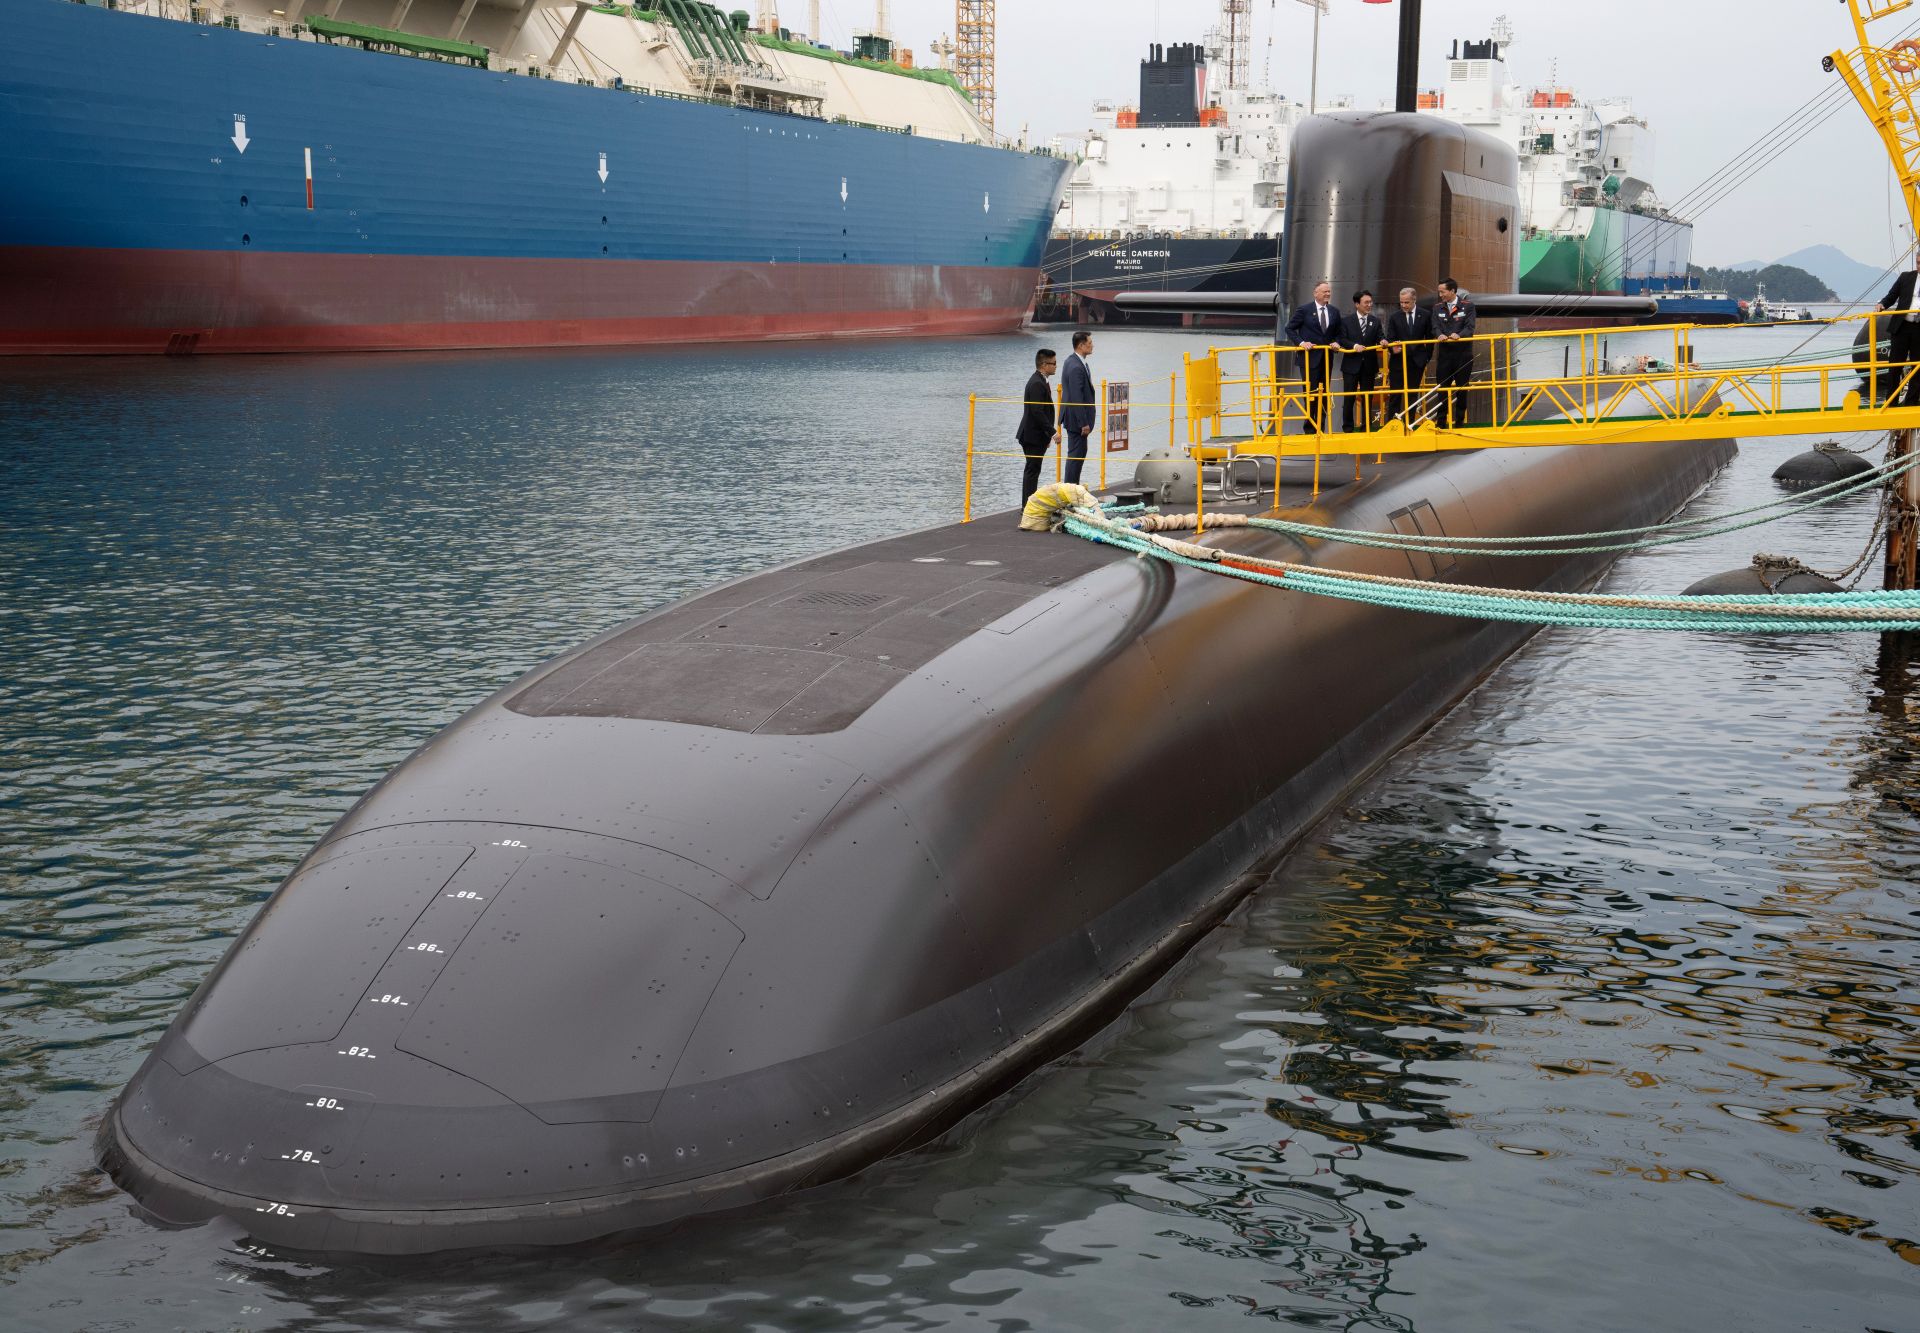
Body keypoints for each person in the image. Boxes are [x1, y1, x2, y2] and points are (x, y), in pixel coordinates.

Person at [1284, 280, 1343, 433]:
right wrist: (1301, 342)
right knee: (1310, 394)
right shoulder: (1304, 310)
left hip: (1326, 359)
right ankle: (1309, 428)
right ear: (1315, 293)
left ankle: (1321, 428)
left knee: (1324, 394)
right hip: (1309, 359)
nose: (1328, 294)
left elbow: (1339, 333)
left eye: (1329, 291)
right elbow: (1289, 328)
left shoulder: (1334, 311)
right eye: (1325, 292)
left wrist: (1336, 342)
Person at [1015, 347, 1061, 504]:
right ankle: (1027, 507)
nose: (1056, 366)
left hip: (1036, 435)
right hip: (1031, 435)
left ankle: (1029, 505)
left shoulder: (1041, 381)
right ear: (1044, 365)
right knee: (1032, 471)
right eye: (1053, 363)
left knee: (1033, 470)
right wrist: (1053, 433)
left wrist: (1046, 437)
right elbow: (1037, 411)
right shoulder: (1036, 383)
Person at [1383, 286, 1435, 422]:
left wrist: (1426, 358)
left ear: (1414, 300)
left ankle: (1409, 423)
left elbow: (1430, 338)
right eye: (1401, 302)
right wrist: (1392, 349)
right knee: (1395, 394)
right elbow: (1390, 338)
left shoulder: (1425, 315)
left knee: (1412, 394)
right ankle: (1392, 424)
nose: (1403, 305)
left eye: (1406, 302)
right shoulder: (1395, 317)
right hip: (1398, 362)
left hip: (1417, 362)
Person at [1432, 277, 1477, 428]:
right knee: (1442, 389)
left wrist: (1459, 335)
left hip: (1463, 355)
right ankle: (1441, 422)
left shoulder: (1468, 306)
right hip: (1445, 355)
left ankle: (1459, 421)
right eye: (1439, 292)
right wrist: (1439, 334)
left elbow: (1470, 327)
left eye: (1443, 292)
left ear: (1452, 291)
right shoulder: (1437, 308)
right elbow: (1435, 326)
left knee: (1462, 388)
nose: (1440, 295)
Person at [1339, 290, 1384, 433]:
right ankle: (1348, 427)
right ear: (1357, 304)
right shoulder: (1346, 321)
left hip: (1369, 366)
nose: (1369, 305)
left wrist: (1383, 341)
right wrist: (1354, 346)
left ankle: (1366, 427)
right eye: (1366, 302)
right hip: (1351, 365)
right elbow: (1342, 339)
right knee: (1349, 398)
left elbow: (1380, 336)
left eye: (1370, 302)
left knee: (1367, 397)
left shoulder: (1375, 321)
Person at [1879, 263, 1920, 406]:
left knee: (1917, 367)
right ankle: (1891, 402)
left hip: (1919, 328)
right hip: (1902, 326)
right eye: (1918, 262)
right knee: (1895, 366)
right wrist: (1882, 304)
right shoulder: (1905, 277)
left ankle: (1911, 402)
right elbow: (1892, 296)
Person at [1060, 332, 1096, 483]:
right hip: (1077, 421)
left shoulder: (1071, 361)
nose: (1092, 345)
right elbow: (1076, 397)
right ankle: (1070, 490)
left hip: (1073, 418)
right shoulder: (1076, 366)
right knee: (1075, 456)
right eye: (1090, 343)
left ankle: (1072, 488)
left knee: (1077, 454)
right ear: (1081, 345)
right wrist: (1083, 423)